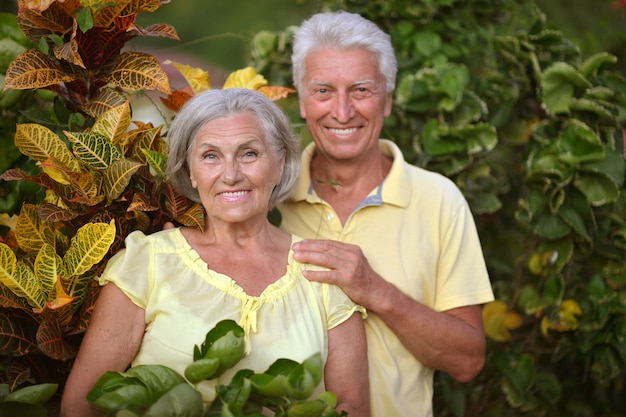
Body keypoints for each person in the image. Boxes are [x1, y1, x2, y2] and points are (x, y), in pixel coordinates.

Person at [60, 88, 370, 417]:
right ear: (191, 172)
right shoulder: (148, 261)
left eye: (249, 153)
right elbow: (82, 405)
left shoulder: (322, 271)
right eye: (210, 156)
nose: (231, 174)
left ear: (279, 164)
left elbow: (353, 406)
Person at [277, 11, 495, 417]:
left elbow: (468, 361)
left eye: (361, 90)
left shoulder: (439, 200)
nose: (342, 112)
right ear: (303, 101)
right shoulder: (266, 199)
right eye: (324, 90)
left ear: (388, 100)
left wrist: (377, 292)